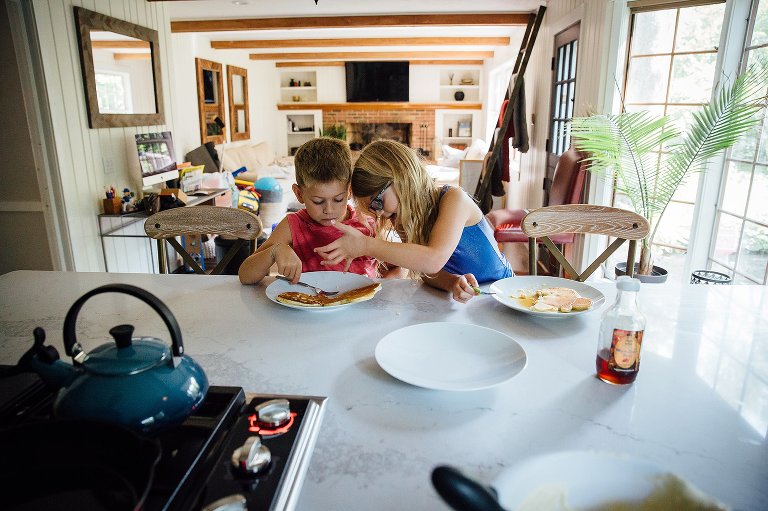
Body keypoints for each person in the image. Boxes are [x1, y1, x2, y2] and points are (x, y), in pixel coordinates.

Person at [315, 140, 513, 303]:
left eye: (378, 201)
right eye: (374, 209)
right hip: (471, 301)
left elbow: (433, 260)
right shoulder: (402, 217)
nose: (381, 214)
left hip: (502, 292)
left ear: (401, 177)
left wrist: (366, 245)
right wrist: (452, 283)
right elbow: (425, 271)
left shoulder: (454, 199)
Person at [238, 137, 378, 285]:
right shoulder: (293, 225)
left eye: (338, 199)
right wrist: (275, 251)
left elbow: (394, 269)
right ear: (299, 194)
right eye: (318, 201)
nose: (329, 210)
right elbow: (245, 276)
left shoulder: (367, 222)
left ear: (349, 191)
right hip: (309, 304)